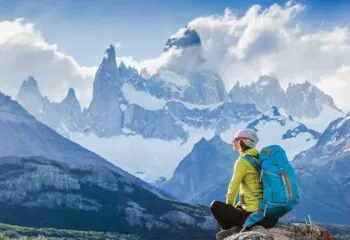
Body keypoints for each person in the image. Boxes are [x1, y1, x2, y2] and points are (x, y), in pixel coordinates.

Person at [209, 129, 278, 231]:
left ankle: (231, 231)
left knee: (214, 206)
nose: (233, 141)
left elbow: (233, 189)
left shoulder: (243, 161)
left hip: (255, 217)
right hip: (271, 217)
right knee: (239, 207)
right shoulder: (260, 159)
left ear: (244, 141)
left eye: (236, 139)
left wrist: (229, 210)